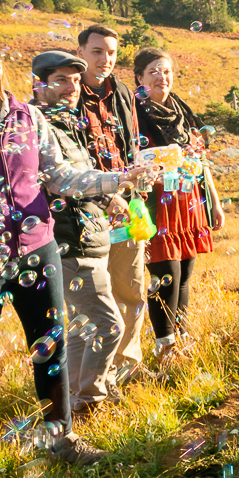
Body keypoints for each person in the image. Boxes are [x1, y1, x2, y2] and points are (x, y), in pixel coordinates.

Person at [0, 37, 148, 478]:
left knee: (50, 348)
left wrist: (119, 180)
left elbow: (61, 176)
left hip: (39, 249)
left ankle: (61, 439)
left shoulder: (27, 118)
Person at [31, 51, 129, 418]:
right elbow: (62, 180)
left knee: (82, 328)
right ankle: (90, 401)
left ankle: (74, 397)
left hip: (88, 236)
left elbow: (78, 174)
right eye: (60, 80)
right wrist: (118, 178)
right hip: (69, 242)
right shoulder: (35, 125)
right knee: (108, 325)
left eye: (75, 80)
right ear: (39, 85)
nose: (71, 87)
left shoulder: (67, 123)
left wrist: (109, 196)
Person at [132, 48, 222, 360]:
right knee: (164, 277)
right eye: (154, 71)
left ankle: (181, 338)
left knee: (184, 274)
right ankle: (164, 348)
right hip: (157, 203)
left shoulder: (183, 112)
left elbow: (201, 162)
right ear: (140, 78)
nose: (162, 77)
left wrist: (215, 203)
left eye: (166, 71)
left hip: (188, 200)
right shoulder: (133, 115)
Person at [75, 25, 146, 379]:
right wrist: (106, 193)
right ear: (81, 52)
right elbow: (67, 161)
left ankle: (128, 368)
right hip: (88, 209)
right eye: (97, 51)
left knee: (131, 286)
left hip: (128, 202)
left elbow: (129, 142)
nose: (105, 60)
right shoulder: (68, 93)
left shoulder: (120, 91)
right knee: (96, 297)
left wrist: (141, 173)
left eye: (112, 53)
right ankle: (96, 377)